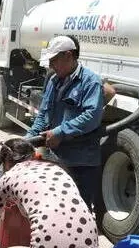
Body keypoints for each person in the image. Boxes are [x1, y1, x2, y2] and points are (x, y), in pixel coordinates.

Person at [25, 35, 105, 210]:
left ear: (69, 56)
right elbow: (43, 115)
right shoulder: (54, 81)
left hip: (81, 162)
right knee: (55, 207)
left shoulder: (90, 82)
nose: (51, 65)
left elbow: (92, 116)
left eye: (54, 60)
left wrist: (60, 132)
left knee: (78, 209)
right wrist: (27, 139)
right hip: (56, 158)